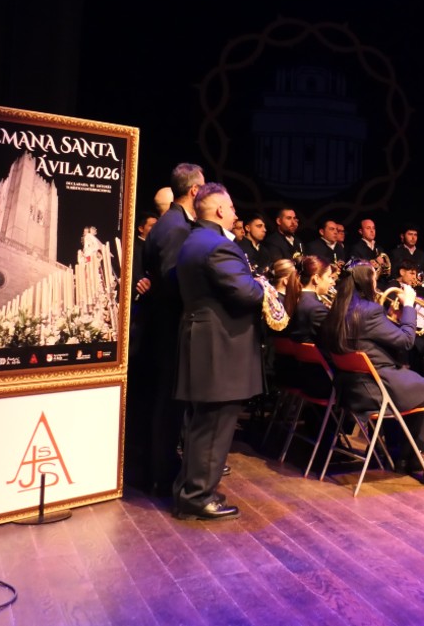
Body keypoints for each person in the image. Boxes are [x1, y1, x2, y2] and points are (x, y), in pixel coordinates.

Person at [319, 260, 424, 484]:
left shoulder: (338, 309)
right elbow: (406, 341)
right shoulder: (369, 311)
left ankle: (407, 459)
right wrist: (408, 306)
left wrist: (393, 318)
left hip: (352, 389)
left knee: (422, 390)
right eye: (374, 279)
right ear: (366, 281)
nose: (377, 284)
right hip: (379, 388)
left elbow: (375, 336)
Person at [172, 183, 265, 520]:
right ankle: (199, 497)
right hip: (219, 344)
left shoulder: (193, 241)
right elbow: (247, 294)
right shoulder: (217, 247)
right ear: (221, 211)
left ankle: (188, 490)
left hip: (201, 339)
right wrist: (261, 286)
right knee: (215, 422)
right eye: (233, 209)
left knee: (201, 422)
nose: (237, 215)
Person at [131, 163, 203, 496]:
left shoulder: (167, 224)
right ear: (194, 191)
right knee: (166, 402)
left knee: (160, 400)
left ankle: (155, 468)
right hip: (168, 327)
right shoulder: (176, 228)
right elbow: (174, 280)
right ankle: (162, 471)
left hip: (159, 325)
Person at [282, 255, 333, 343]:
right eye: (329, 277)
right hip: (317, 356)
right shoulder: (316, 309)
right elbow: (334, 340)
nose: (332, 282)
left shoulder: (295, 299)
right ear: (316, 278)